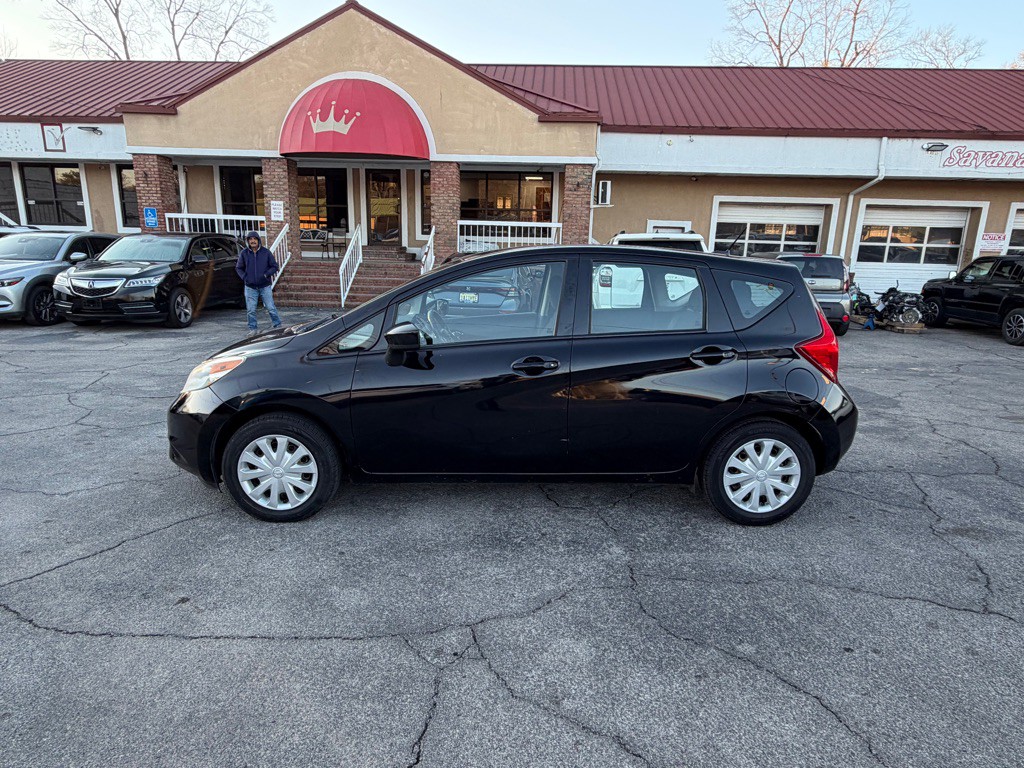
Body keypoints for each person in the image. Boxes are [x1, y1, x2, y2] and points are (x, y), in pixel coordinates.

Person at [235, 231, 282, 335]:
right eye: (250, 239)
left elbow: (274, 266)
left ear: (258, 240)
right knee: (251, 310)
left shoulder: (266, 252)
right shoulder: (244, 253)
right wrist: (245, 277)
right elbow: (238, 268)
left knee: (270, 307)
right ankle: (253, 329)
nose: (253, 241)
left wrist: (266, 274)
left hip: (264, 286)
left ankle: (277, 325)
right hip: (250, 287)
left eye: (254, 239)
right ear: (248, 241)